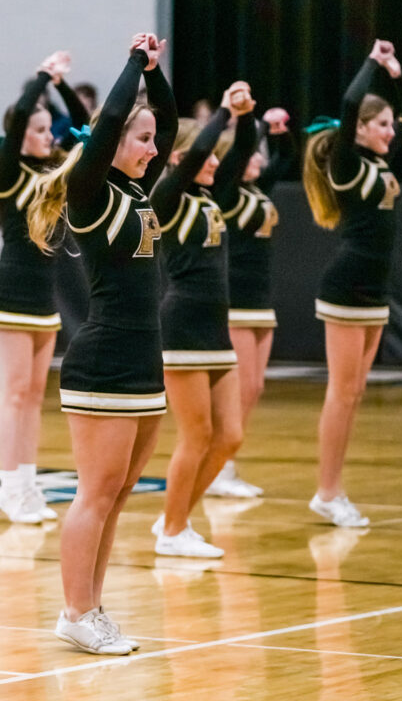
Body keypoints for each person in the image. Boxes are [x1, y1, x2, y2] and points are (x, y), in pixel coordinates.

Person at [26, 33, 175, 655]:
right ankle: (75, 609)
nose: (153, 147)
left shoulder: (138, 190)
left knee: (118, 495)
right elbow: (114, 114)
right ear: (113, 143)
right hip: (104, 358)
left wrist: (157, 75)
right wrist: (132, 64)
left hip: (144, 358)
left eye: (152, 142)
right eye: (141, 141)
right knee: (96, 492)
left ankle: (90, 606)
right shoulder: (93, 193)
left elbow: (161, 119)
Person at [0, 51, 88, 524]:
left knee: (36, 394)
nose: (45, 136)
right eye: (37, 130)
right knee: (16, 392)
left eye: (47, 130)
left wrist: (60, 87)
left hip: (45, 296)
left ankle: (28, 482)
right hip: (11, 293)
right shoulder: (9, 173)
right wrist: (40, 78)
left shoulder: (56, 172)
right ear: (19, 135)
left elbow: (86, 129)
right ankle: (10, 485)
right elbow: (20, 114)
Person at [302, 40, 402, 527]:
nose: (390, 131)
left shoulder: (381, 163)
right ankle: (327, 492)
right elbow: (349, 104)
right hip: (346, 287)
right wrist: (370, 61)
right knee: (342, 394)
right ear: (360, 130)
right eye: (381, 124)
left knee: (355, 393)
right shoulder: (346, 164)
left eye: (390, 124)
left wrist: (395, 77)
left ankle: (333, 490)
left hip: (373, 291)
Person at [151, 83, 257, 558]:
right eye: (206, 156)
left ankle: (176, 520)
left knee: (229, 436)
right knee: (195, 436)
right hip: (182, 326)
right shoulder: (166, 198)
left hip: (216, 328)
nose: (215, 162)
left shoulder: (212, 197)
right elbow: (198, 156)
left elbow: (243, 151)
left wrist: (245, 117)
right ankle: (173, 531)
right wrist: (221, 116)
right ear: (176, 159)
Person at [209, 106, 293, 498]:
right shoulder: (225, 195)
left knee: (255, 387)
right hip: (237, 299)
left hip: (261, 299)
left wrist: (278, 131)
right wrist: (250, 129)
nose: (259, 159)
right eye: (252, 154)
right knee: (241, 388)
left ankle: (226, 463)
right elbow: (240, 156)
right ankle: (219, 467)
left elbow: (287, 158)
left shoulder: (259, 189)